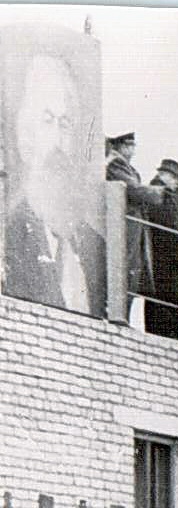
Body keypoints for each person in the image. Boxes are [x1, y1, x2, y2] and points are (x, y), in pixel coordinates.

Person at [3, 52, 107, 316]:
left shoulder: (94, 244)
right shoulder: (9, 231)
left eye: (65, 124)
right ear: (25, 134)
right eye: (47, 120)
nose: (59, 141)